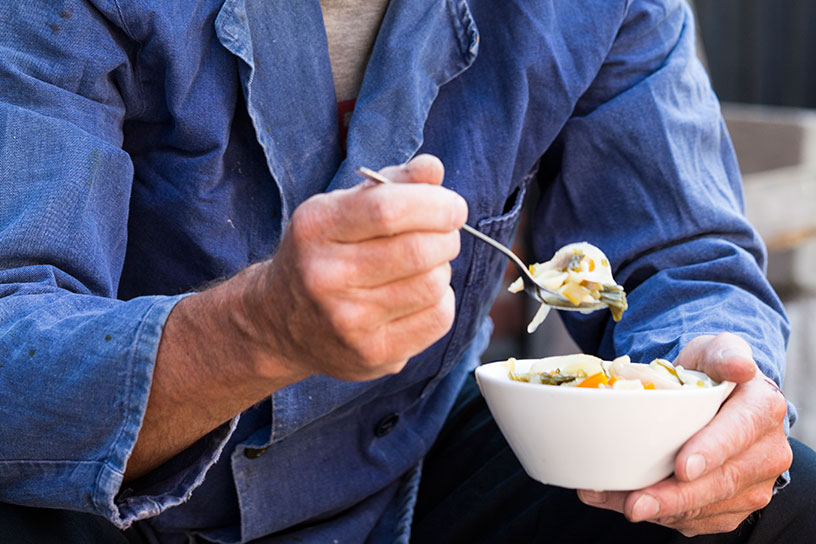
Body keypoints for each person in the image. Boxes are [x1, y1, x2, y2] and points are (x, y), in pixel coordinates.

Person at [0, 0, 813, 542]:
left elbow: (685, 258)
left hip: (401, 466)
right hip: (90, 503)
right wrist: (257, 332)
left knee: (780, 506)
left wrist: (721, 386)